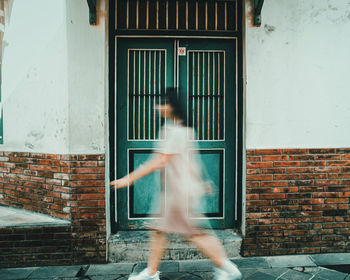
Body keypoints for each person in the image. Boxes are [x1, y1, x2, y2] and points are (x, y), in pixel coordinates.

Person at [110, 88, 242, 280]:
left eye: (162, 103)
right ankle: (152, 273)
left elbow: (159, 161)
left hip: (178, 194)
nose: (158, 107)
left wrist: (128, 179)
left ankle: (227, 268)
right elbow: (191, 162)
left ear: (170, 106)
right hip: (175, 193)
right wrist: (201, 183)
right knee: (161, 231)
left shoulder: (175, 131)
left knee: (194, 234)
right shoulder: (181, 129)